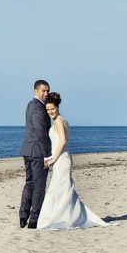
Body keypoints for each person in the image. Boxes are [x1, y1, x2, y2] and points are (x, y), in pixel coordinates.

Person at [37, 92, 108, 230]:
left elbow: (62, 141)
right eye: (48, 110)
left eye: (52, 109)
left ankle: (63, 219)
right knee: (62, 190)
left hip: (61, 160)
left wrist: (53, 159)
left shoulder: (58, 121)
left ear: (57, 107)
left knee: (59, 189)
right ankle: (66, 217)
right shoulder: (63, 120)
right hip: (63, 158)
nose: (50, 112)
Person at [18, 79, 51, 229]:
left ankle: (23, 216)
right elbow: (40, 133)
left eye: (47, 91)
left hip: (27, 150)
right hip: (37, 152)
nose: (46, 94)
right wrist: (46, 155)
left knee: (30, 183)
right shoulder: (38, 107)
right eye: (43, 91)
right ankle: (33, 220)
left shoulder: (30, 105)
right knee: (38, 185)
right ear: (35, 91)